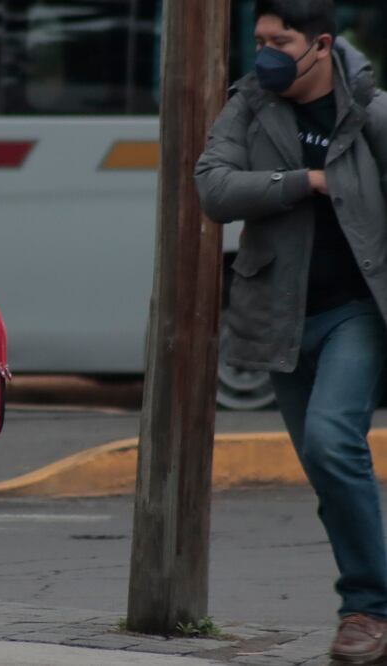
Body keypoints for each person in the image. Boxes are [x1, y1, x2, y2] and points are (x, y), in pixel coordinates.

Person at [195, 1, 387, 662]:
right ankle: (369, 607)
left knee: (333, 443)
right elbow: (214, 189)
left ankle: (367, 610)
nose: (266, 55)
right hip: (278, 316)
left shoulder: (369, 112)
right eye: (260, 40)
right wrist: (302, 180)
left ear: (321, 46)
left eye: (280, 42)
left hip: (357, 311)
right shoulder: (250, 104)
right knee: (327, 470)